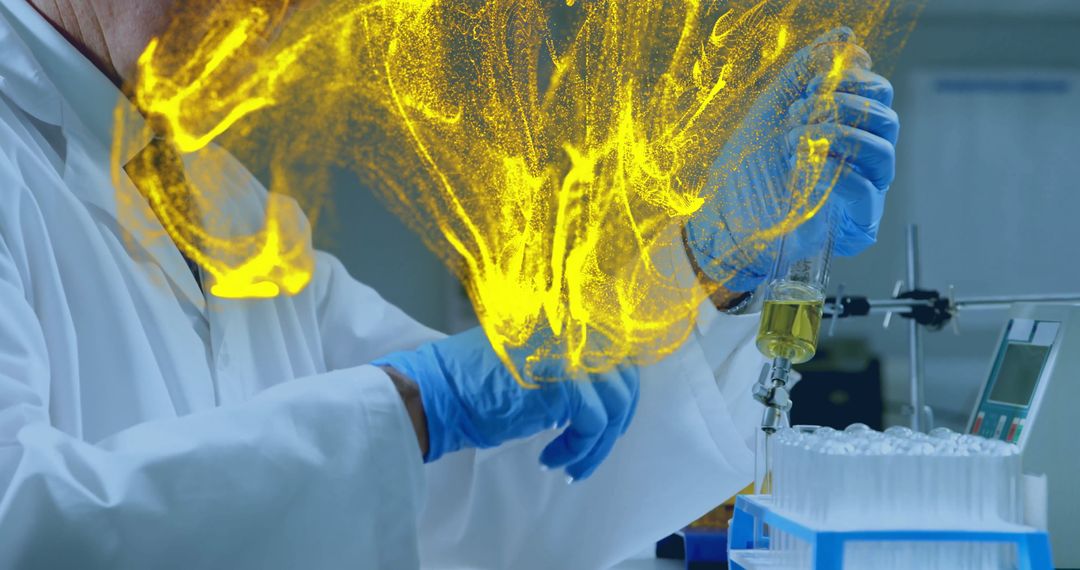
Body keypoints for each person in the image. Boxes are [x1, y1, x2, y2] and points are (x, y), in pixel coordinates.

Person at [0, 0, 899, 568]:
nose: (262, 25)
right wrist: (419, 402)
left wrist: (714, 263)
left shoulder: (224, 209)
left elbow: (495, 479)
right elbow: (23, 521)